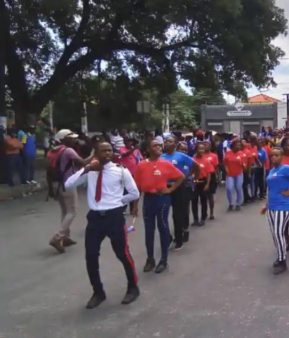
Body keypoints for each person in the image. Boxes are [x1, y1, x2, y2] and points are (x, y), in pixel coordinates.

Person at [64, 142, 140, 309]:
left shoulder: (121, 170)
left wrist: (118, 201)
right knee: (91, 256)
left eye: (109, 151)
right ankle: (98, 292)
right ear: (95, 154)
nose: (107, 153)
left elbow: (134, 192)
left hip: (114, 217)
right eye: (103, 151)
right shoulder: (90, 171)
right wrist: (86, 169)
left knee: (122, 254)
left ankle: (133, 287)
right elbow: (68, 184)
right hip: (95, 219)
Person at [134, 140, 185, 274]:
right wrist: (134, 205)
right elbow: (138, 187)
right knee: (149, 230)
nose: (158, 147)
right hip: (148, 200)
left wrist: (170, 189)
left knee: (163, 227)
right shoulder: (141, 165)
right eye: (154, 145)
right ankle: (150, 259)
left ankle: (164, 260)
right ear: (147, 149)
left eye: (159, 145)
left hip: (162, 199)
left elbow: (181, 177)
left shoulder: (166, 164)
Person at [261, 147, 289, 275]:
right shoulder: (271, 171)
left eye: (276, 155)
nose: (273, 158)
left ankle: (283, 261)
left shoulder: (286, 169)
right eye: (272, 156)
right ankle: (280, 256)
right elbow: (270, 189)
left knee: (278, 232)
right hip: (272, 206)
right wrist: (266, 205)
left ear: (281, 157)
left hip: (283, 206)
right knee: (275, 234)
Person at [47, 129, 94, 253]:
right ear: (63, 139)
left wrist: (50, 188)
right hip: (67, 183)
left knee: (64, 211)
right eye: (71, 138)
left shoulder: (51, 151)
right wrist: (93, 154)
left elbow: (48, 170)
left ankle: (65, 237)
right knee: (72, 211)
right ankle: (57, 237)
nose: (74, 140)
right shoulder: (68, 151)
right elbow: (83, 163)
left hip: (56, 183)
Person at [161, 136, 200, 251]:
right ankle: (167, 238)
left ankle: (179, 239)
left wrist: (192, 179)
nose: (167, 143)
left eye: (170, 141)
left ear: (176, 144)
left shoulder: (181, 156)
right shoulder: (161, 157)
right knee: (163, 215)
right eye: (166, 141)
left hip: (179, 187)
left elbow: (196, 167)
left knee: (177, 215)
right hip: (165, 187)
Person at [191, 142, 214, 227]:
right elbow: (190, 172)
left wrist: (207, 184)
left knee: (203, 200)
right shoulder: (192, 160)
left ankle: (203, 218)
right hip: (194, 182)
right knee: (194, 201)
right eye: (199, 148)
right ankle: (195, 219)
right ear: (196, 150)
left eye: (203, 149)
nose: (201, 150)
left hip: (203, 182)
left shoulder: (206, 161)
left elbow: (209, 173)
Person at [223, 139, 246, 211]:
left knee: (238, 188)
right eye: (238, 145)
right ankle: (230, 204)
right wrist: (226, 168)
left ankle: (238, 204)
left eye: (240, 145)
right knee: (229, 188)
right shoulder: (228, 153)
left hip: (239, 174)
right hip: (230, 174)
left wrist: (243, 165)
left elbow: (244, 166)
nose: (239, 146)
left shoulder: (241, 154)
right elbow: (224, 163)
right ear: (233, 146)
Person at [202, 141, 220, 219]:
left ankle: (211, 213)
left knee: (210, 196)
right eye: (204, 145)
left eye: (207, 145)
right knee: (203, 196)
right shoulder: (200, 155)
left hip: (211, 176)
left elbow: (216, 167)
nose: (205, 147)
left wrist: (218, 176)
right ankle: (204, 213)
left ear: (210, 146)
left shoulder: (213, 156)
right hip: (202, 176)